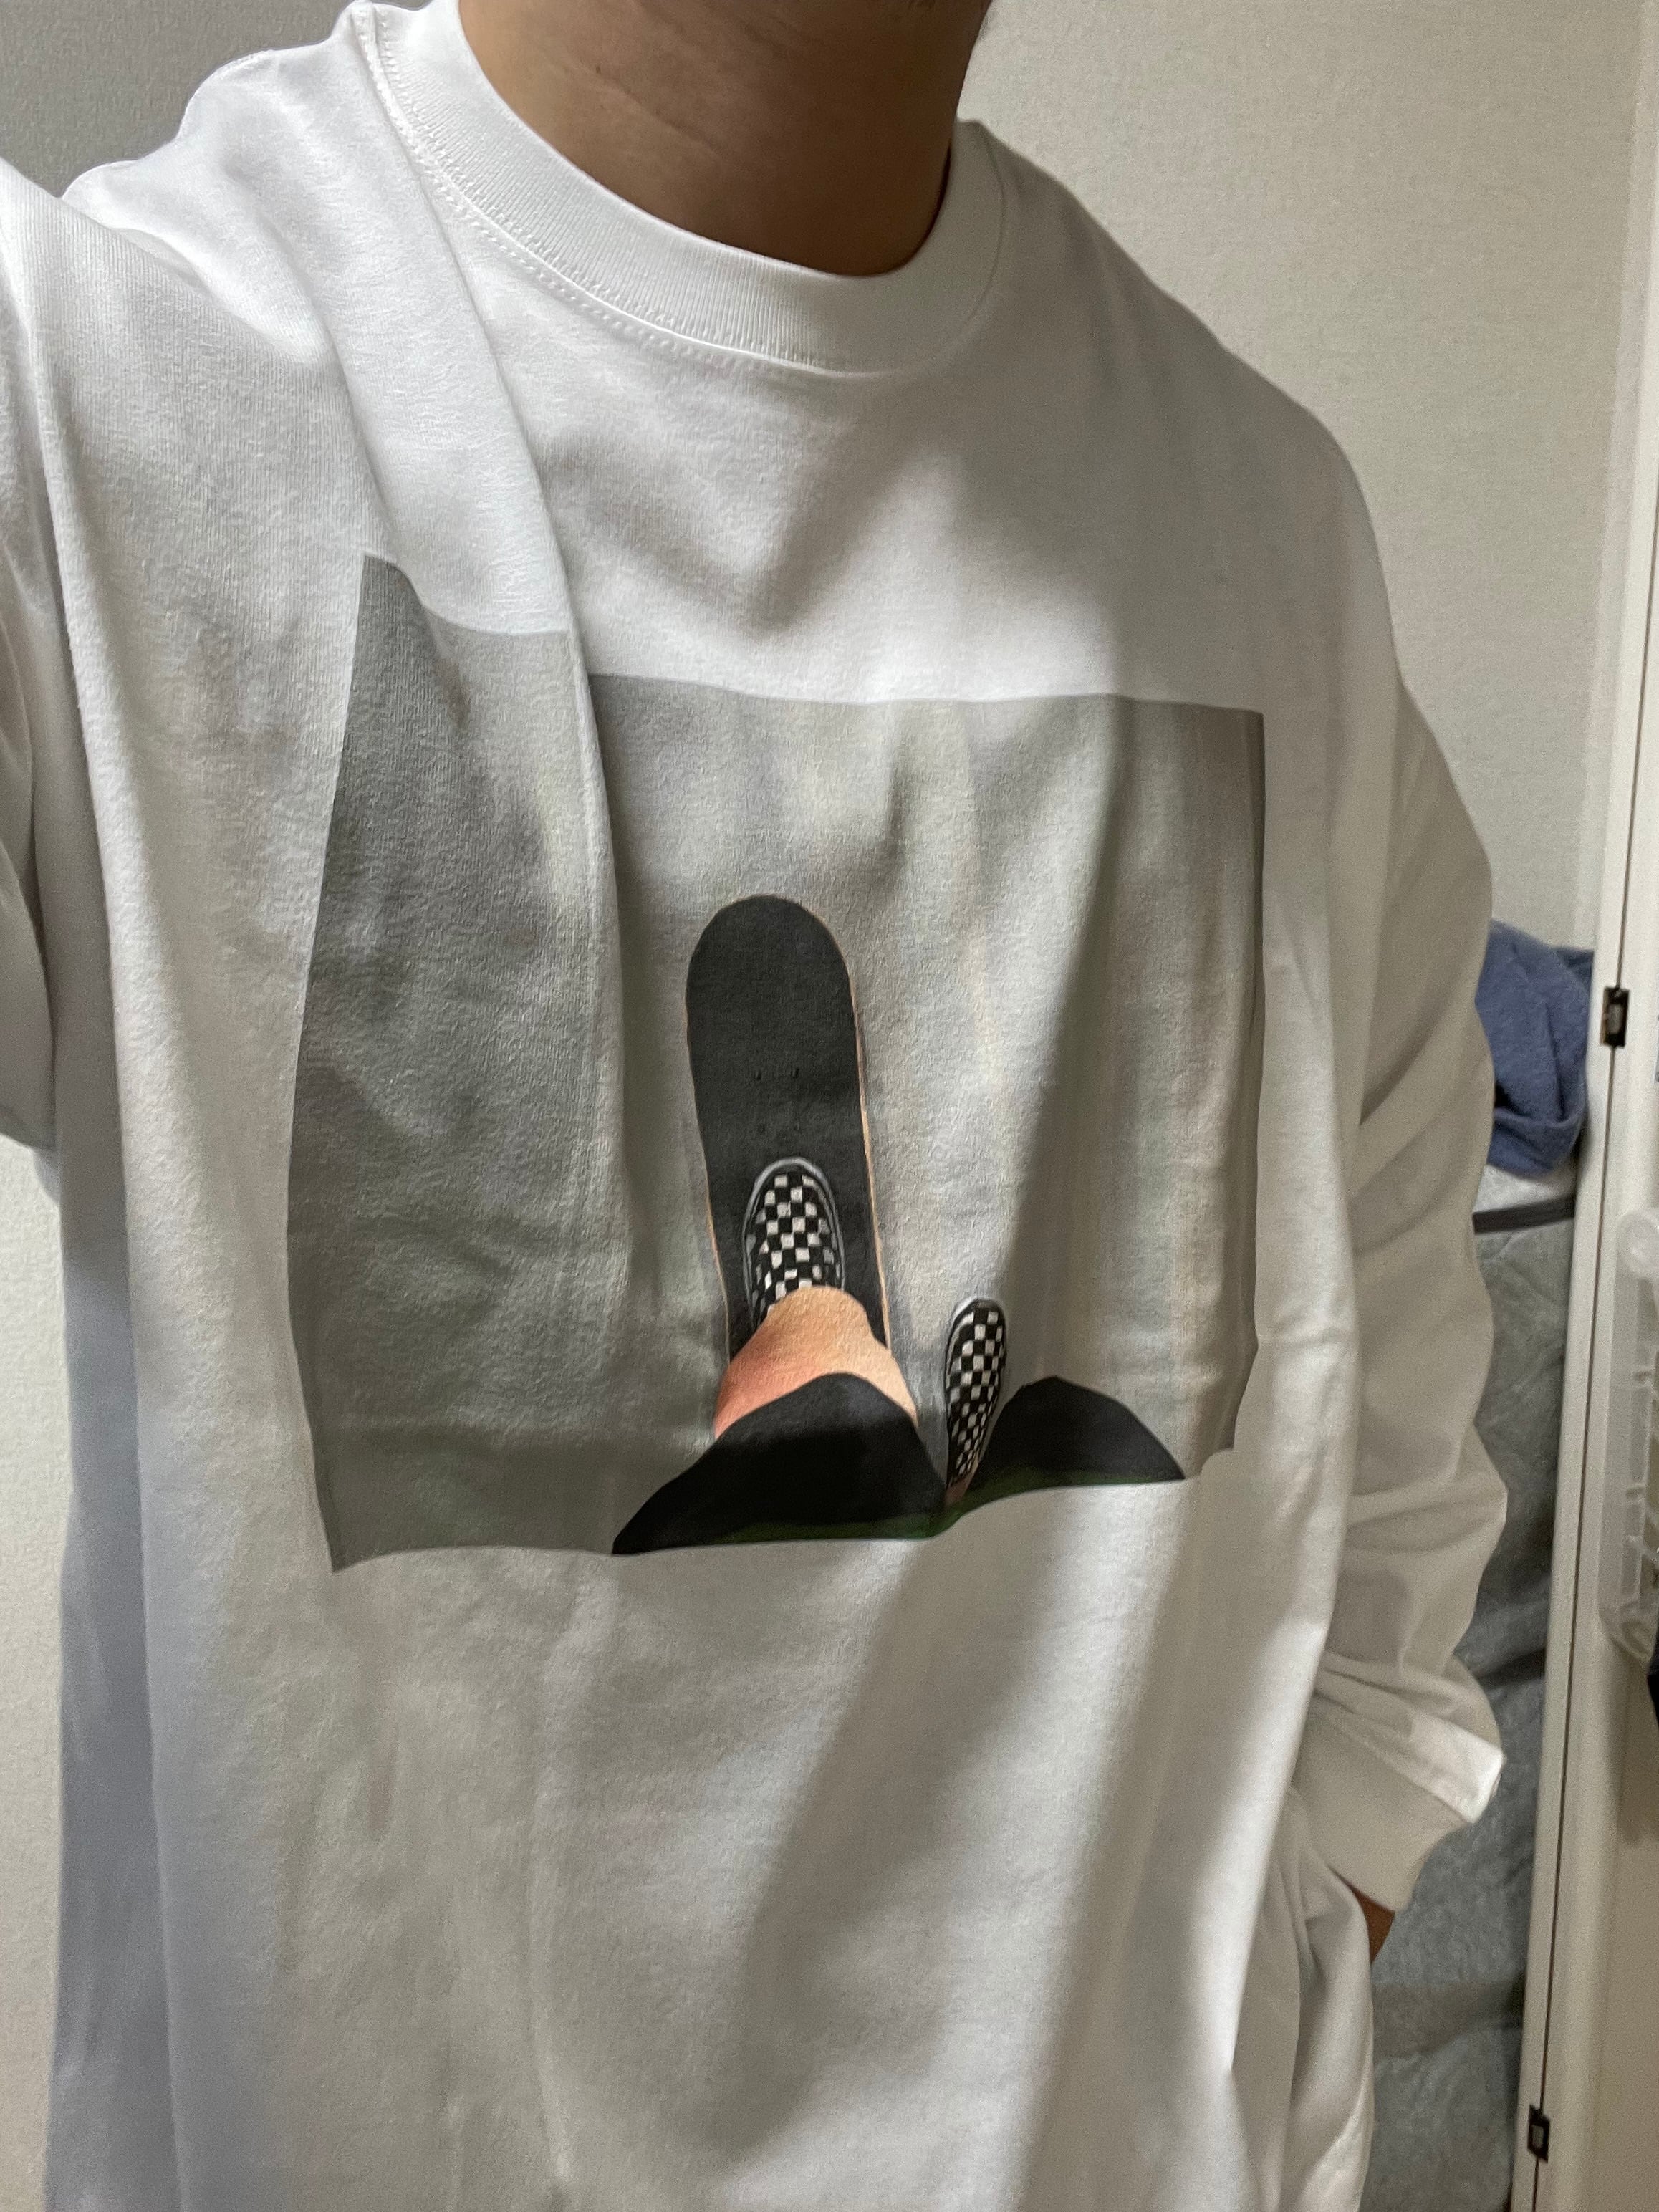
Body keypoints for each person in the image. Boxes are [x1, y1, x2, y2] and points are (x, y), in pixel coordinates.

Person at [0, 0, 1506, 2204]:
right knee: (973, 1398)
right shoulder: (90, 382)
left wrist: (1286, 1959)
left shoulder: (1274, 536)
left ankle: (821, 1348)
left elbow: (1387, 1548)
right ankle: (834, 1350)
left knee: (980, 1403)